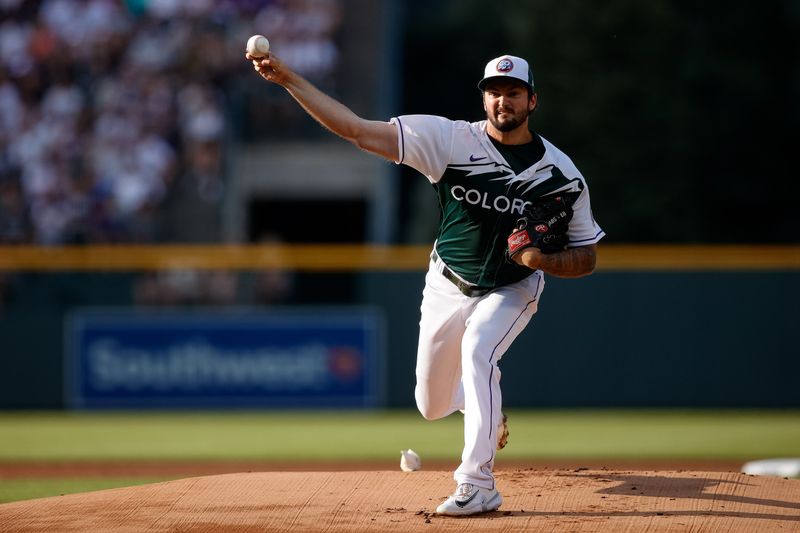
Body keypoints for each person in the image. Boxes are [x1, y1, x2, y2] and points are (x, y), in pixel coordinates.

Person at [247, 50, 604, 516]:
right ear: (484, 99)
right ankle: (484, 412)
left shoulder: (561, 175)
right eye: (494, 92)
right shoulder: (450, 140)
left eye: (513, 92)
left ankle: (477, 483)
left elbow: (588, 257)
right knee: (430, 404)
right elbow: (357, 130)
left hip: (512, 287)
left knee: (479, 349)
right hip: (447, 283)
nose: (502, 101)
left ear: (532, 100)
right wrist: (290, 80)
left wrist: (545, 259)